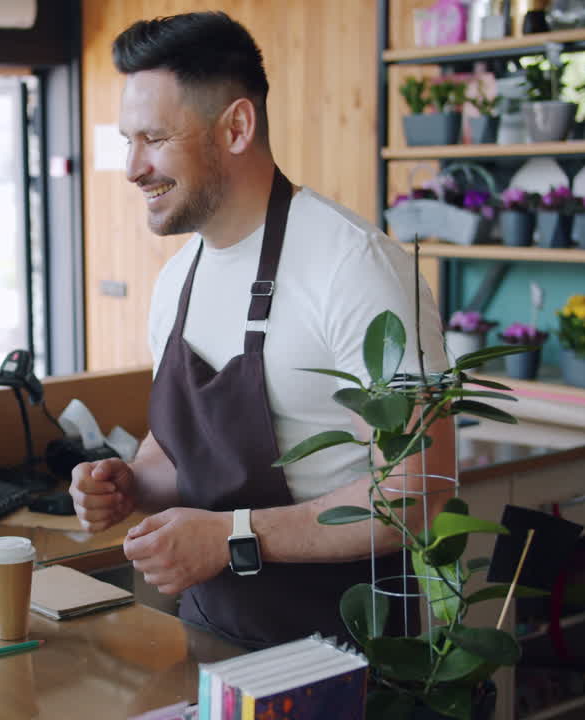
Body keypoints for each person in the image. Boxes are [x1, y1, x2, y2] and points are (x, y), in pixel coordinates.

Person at [69, 12, 456, 649]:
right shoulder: (177, 281)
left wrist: (231, 538)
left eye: (154, 139)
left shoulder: (354, 268)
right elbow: (174, 454)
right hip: (213, 641)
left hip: (347, 659)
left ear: (237, 127)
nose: (133, 167)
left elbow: (417, 490)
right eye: (127, 141)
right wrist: (130, 483)